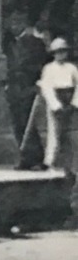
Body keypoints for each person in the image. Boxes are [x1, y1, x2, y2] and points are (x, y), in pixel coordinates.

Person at [6, 7, 49, 170]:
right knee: (18, 124)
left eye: (17, 22)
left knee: (28, 123)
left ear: (23, 23)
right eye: (11, 23)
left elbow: (42, 64)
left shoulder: (34, 42)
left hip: (28, 87)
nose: (13, 26)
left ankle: (37, 158)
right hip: (14, 89)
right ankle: (25, 157)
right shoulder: (11, 44)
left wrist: (38, 82)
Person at [38, 37, 78, 177]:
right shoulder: (48, 68)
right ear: (53, 53)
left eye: (63, 52)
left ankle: (71, 164)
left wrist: (74, 103)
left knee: (71, 134)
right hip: (57, 101)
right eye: (58, 52)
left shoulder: (72, 68)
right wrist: (56, 105)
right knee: (55, 133)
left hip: (70, 101)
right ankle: (52, 163)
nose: (61, 55)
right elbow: (46, 88)